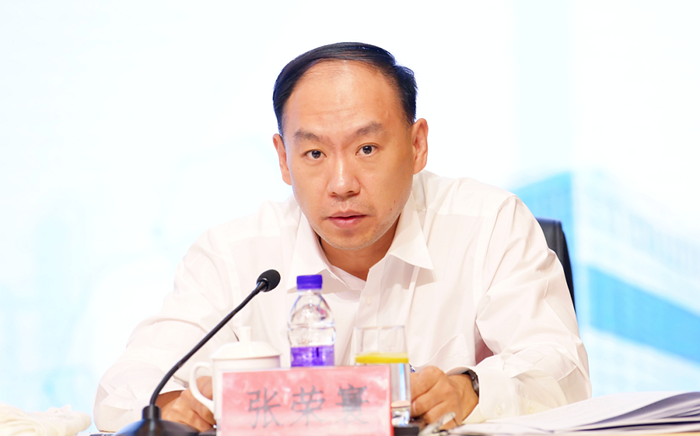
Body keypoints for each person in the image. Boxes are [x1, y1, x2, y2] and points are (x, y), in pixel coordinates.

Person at [94, 42, 591, 432]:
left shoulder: (489, 224)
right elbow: (125, 387)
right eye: (314, 154)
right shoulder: (234, 256)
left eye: (367, 148)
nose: (341, 184)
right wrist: (172, 406)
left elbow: (562, 371)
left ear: (417, 145)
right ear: (283, 159)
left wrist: (472, 390)